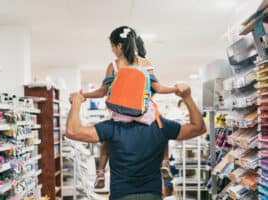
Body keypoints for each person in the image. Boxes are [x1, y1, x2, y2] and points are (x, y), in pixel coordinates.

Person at [66, 83, 206, 200]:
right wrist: (187, 97)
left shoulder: (112, 127)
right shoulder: (160, 125)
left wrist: (77, 102)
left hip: (121, 194)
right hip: (152, 194)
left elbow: (73, 131)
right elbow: (199, 128)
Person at [78, 26, 177, 188]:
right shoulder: (144, 62)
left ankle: (101, 172)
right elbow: (158, 88)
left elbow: (102, 92)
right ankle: (164, 162)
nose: (112, 50)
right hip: (144, 114)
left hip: (120, 115)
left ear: (119, 46)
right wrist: (176, 89)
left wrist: (83, 95)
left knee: (107, 141)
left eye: (112, 46)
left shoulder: (114, 65)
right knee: (162, 129)